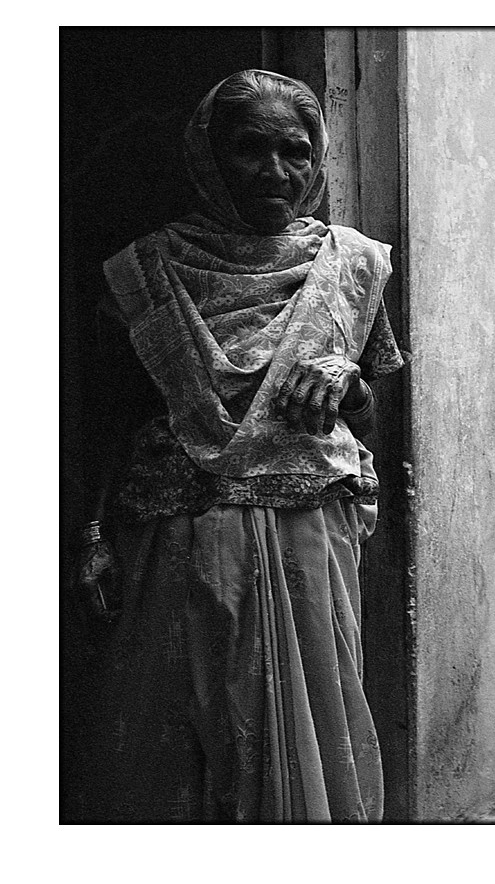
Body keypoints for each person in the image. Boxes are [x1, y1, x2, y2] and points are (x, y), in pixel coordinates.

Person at [72, 70, 403, 822]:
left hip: (307, 538)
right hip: (175, 532)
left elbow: (369, 415)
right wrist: (89, 531)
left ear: (317, 159)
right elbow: (111, 413)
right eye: (250, 149)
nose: (275, 172)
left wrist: (346, 384)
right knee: (176, 737)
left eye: (295, 150)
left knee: (306, 738)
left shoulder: (350, 267)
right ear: (208, 157)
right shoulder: (147, 270)